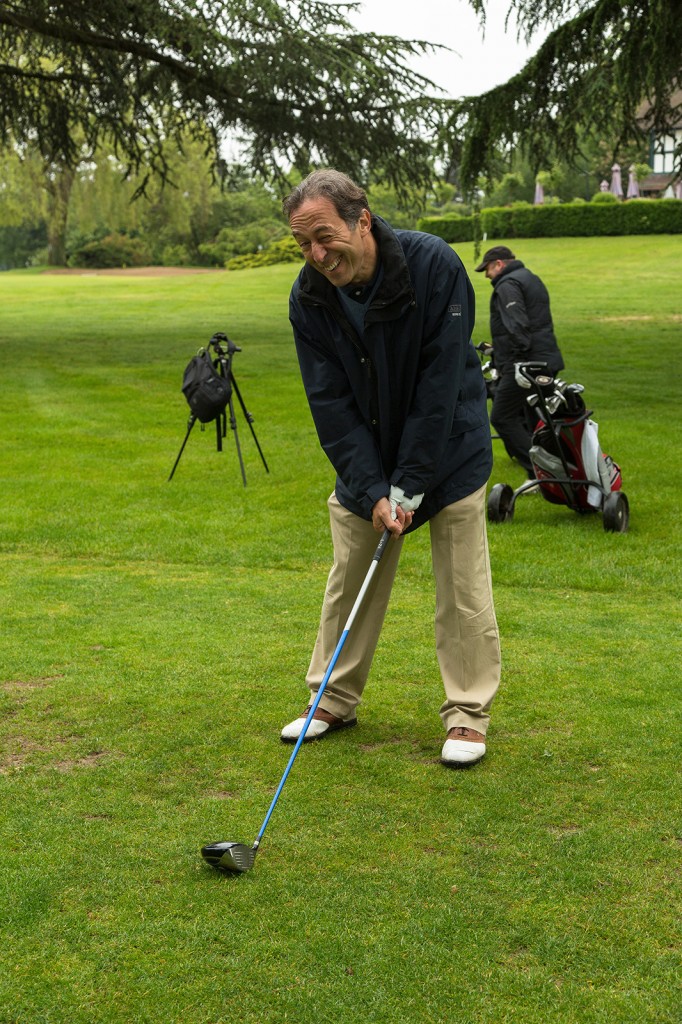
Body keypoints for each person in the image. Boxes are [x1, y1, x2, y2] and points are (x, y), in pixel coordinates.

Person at [279, 169, 501, 768]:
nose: (318, 255)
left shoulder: (435, 268)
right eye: (304, 244)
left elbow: (440, 388)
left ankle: (467, 715)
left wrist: (410, 485)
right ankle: (332, 698)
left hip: (449, 448)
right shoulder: (309, 296)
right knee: (351, 572)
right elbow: (330, 404)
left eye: (325, 236)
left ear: (362, 220)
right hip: (368, 457)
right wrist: (375, 489)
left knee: (462, 586)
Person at [474, 245, 564, 479]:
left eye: (487, 269)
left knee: (501, 416)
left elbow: (518, 326)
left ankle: (540, 473)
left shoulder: (508, 285)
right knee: (534, 416)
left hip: (525, 364)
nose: (486, 275)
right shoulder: (530, 278)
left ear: (499, 264)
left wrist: (516, 362)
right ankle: (557, 467)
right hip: (545, 358)